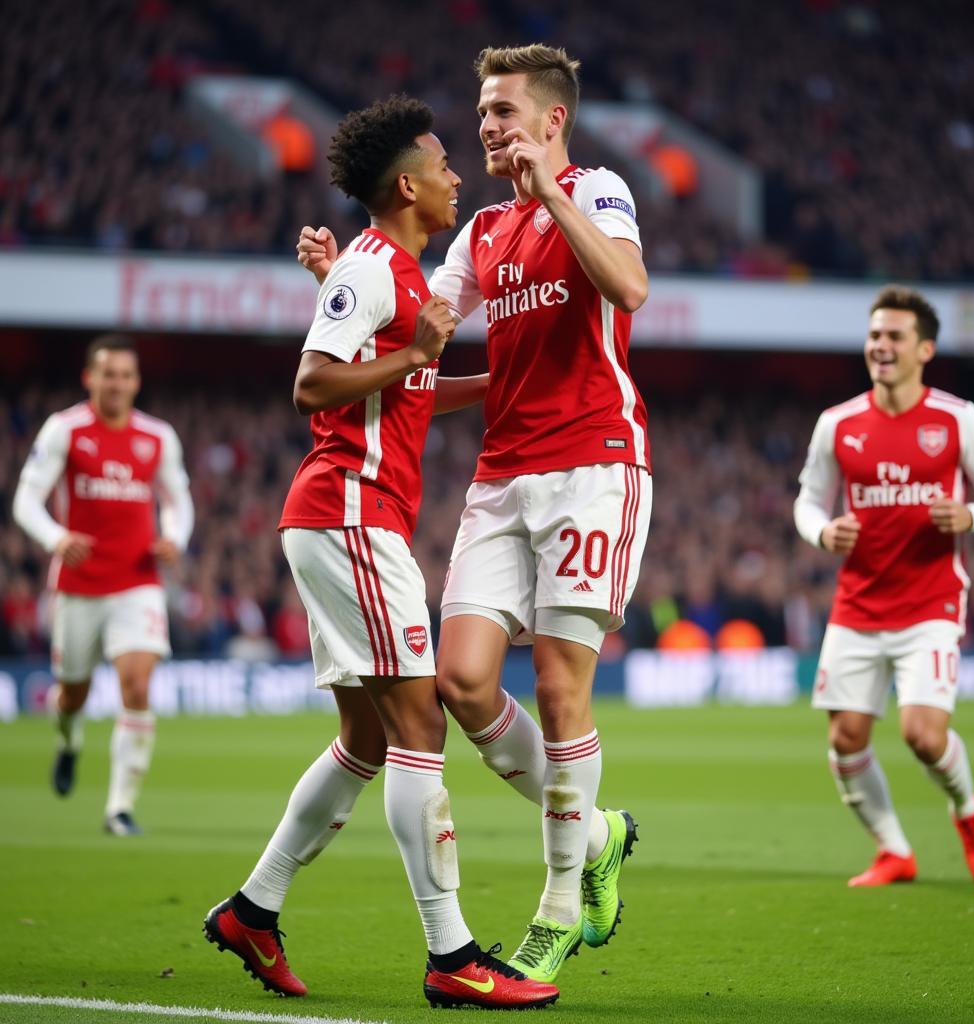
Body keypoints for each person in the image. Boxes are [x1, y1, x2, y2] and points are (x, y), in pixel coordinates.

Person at [298, 44, 651, 984]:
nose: (486, 128)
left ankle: (558, 904)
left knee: (565, 687)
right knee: (459, 683)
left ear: (552, 120)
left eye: (501, 112)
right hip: (502, 475)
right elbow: (416, 333)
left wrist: (555, 198)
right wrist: (344, 287)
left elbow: (629, 290)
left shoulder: (600, 189)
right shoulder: (482, 231)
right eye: (482, 113)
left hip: (594, 463)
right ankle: (601, 831)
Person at [204, 96, 558, 1011]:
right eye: (442, 164)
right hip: (350, 515)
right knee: (422, 726)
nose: (455, 176)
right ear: (407, 184)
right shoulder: (374, 270)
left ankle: (255, 907)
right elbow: (312, 383)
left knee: (368, 735)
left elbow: (412, 389)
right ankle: (452, 955)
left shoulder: (390, 272)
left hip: (348, 521)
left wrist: (496, 378)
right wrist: (412, 354)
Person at [794, 285, 974, 886]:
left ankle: (968, 813)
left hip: (931, 601)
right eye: (874, 336)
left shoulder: (956, 418)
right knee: (846, 738)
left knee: (923, 734)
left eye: (894, 336)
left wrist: (972, 515)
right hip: (858, 603)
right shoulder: (837, 425)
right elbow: (807, 503)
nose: (881, 346)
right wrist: (823, 533)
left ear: (925, 349)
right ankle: (894, 850)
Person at [12, 334, 194, 835]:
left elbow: (178, 500)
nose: (117, 384)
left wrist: (173, 537)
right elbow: (26, 500)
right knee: (72, 694)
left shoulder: (158, 436)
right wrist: (57, 536)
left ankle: (119, 808)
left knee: (137, 683)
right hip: (77, 584)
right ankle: (68, 742)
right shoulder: (65, 430)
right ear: (89, 378)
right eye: (107, 374)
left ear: (136, 382)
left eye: (126, 375)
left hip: (138, 582)